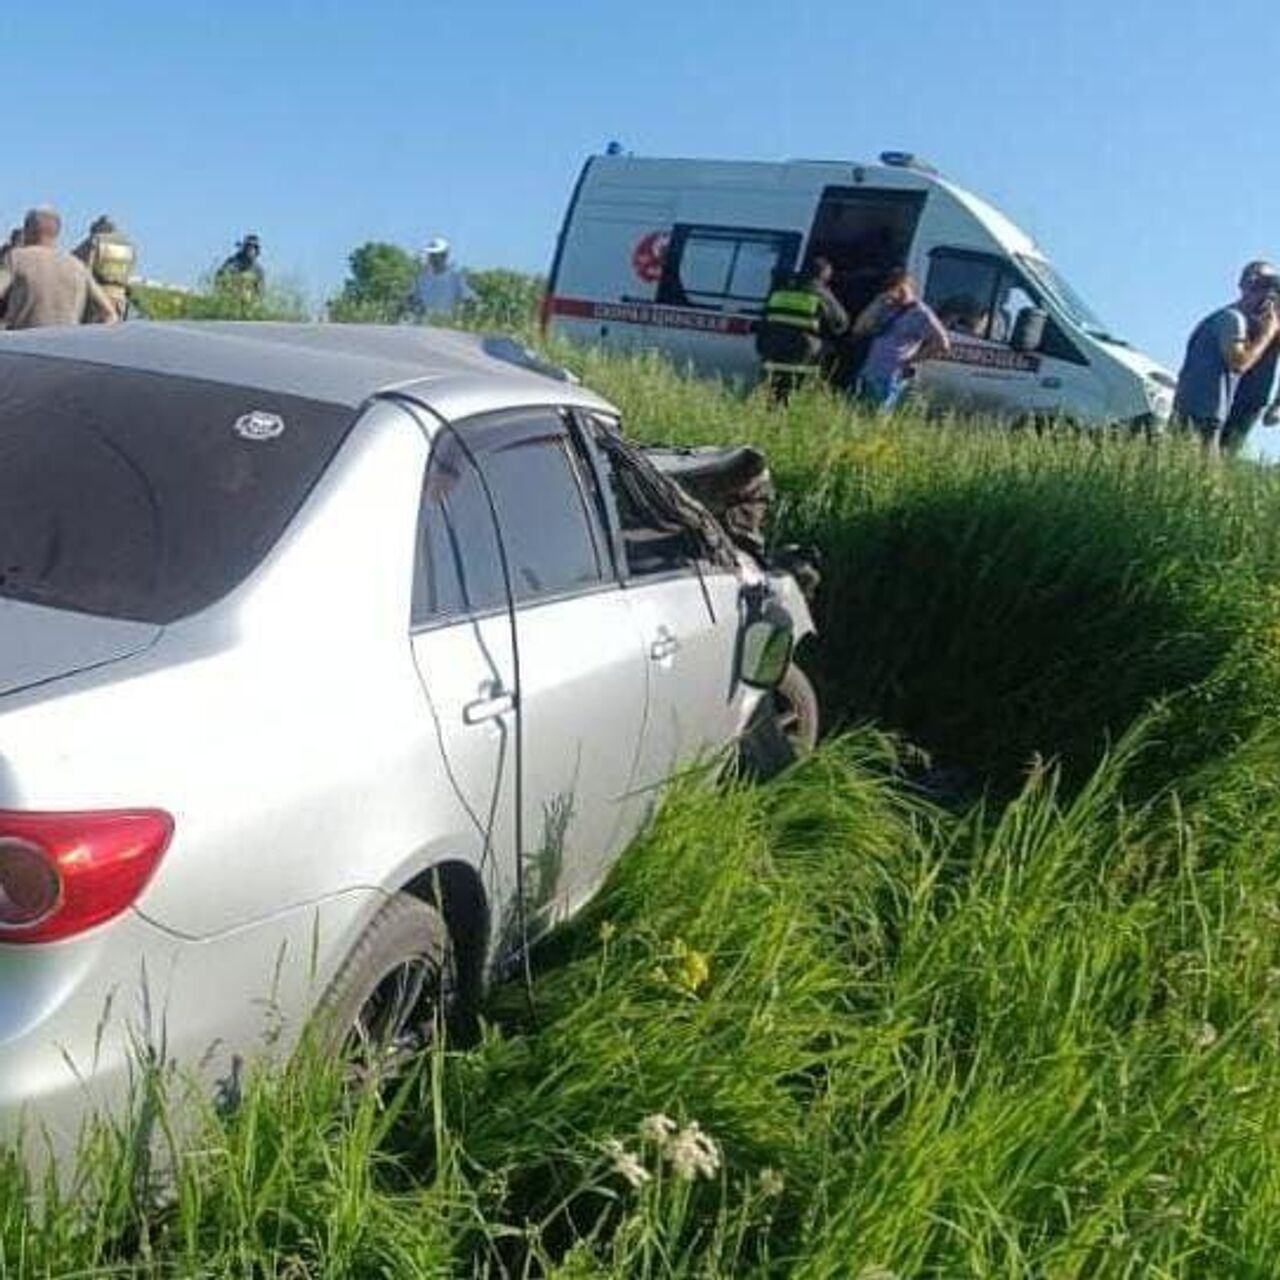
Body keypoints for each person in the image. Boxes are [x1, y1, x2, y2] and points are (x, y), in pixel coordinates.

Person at [1173, 261, 1280, 454]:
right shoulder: (1231, 320)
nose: (1267, 297)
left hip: (1237, 405)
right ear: (1243, 286)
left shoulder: (1241, 320)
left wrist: (1277, 406)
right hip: (1205, 410)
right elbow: (1239, 362)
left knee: (1218, 459)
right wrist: (1268, 332)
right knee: (1199, 463)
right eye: (1258, 285)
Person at [0, 206, 118, 329]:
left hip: (22, 343)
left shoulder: (16, 258)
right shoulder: (77, 265)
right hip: (66, 344)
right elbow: (110, 314)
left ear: (29, 231)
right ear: (56, 233)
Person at [852, 268, 950, 411]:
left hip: (891, 375)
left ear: (908, 286)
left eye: (899, 287)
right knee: (860, 415)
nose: (896, 292)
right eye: (892, 286)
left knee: (877, 417)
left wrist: (910, 360)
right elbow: (859, 328)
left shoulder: (921, 313)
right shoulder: (887, 307)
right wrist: (876, 303)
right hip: (871, 370)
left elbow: (943, 344)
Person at [755, 257, 849, 402]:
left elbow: (764, 319)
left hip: (771, 350)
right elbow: (841, 323)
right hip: (801, 354)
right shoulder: (819, 293)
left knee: (772, 394)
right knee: (793, 394)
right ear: (824, 275)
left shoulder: (780, 291)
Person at [1221, 261, 1280, 451]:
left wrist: (1277, 405)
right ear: (1242, 284)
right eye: (1252, 280)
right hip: (1218, 392)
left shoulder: (1275, 321)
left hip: (1251, 398)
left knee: (1227, 450)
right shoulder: (1230, 315)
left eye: (1266, 282)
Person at [73, 214, 136, 318]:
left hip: (97, 298)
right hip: (121, 298)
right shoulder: (128, 246)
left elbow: (80, 269)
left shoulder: (93, 241)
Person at [411, 236, 475, 318]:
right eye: (431, 255)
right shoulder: (421, 278)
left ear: (445, 255)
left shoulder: (456, 279)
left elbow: (470, 300)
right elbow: (411, 299)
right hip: (423, 324)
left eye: (436, 255)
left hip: (446, 325)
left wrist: (461, 317)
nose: (432, 258)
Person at [216, 233, 264, 298]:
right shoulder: (232, 263)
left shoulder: (257, 270)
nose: (251, 249)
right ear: (244, 248)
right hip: (231, 298)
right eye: (249, 246)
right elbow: (220, 278)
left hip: (249, 302)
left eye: (254, 247)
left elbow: (260, 290)